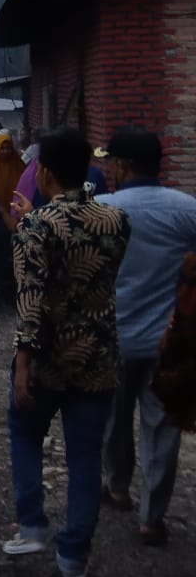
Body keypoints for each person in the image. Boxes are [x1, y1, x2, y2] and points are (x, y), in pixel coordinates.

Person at [3, 126, 131, 577]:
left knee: (23, 433)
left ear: (46, 172)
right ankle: (74, 558)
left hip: (48, 359)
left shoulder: (35, 227)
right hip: (98, 355)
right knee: (84, 456)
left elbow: (30, 298)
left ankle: (33, 524)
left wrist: (22, 363)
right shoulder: (115, 220)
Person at [94, 128, 196, 546]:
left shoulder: (100, 211)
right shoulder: (186, 210)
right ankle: (152, 518)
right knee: (163, 427)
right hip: (166, 343)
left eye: (111, 162)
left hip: (113, 339)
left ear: (122, 166)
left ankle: (116, 487)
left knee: (112, 421)